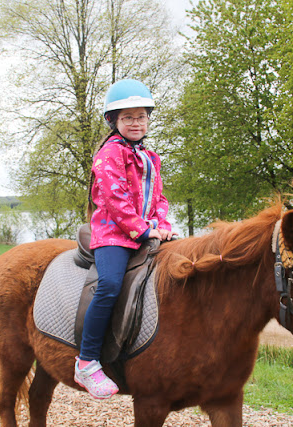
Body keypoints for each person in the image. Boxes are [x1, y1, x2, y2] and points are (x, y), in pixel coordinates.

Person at [74, 79, 177, 399]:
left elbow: (159, 197)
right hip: (113, 234)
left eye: (141, 117)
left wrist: (162, 224)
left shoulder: (151, 157)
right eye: (128, 117)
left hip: (147, 231)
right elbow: (116, 200)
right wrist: (144, 230)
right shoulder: (108, 155)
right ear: (114, 121)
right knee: (109, 285)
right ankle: (87, 360)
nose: (136, 123)